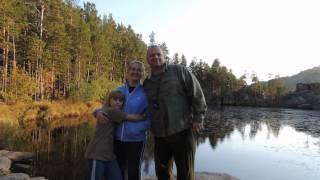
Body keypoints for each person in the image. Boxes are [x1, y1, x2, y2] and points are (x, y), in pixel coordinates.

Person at [143, 44, 207, 180]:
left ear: (164, 57)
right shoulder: (147, 83)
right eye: (151, 55)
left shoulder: (179, 71)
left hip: (182, 131)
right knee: (162, 173)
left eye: (158, 54)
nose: (155, 57)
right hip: (160, 135)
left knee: (186, 173)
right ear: (147, 60)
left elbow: (197, 93)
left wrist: (198, 118)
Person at [95, 60, 150, 180]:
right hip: (116, 138)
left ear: (142, 73)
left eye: (139, 70)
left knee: (133, 171)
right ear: (128, 71)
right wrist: (97, 112)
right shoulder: (119, 90)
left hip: (136, 140)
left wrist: (138, 129)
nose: (135, 72)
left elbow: (150, 116)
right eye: (133, 69)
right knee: (118, 170)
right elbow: (105, 107)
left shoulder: (146, 93)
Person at [85, 90, 144, 180]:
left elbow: (96, 110)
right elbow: (135, 118)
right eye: (115, 99)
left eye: (120, 101)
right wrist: (147, 114)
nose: (117, 102)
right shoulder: (113, 111)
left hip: (110, 156)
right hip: (96, 154)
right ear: (109, 100)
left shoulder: (108, 111)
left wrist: (96, 112)